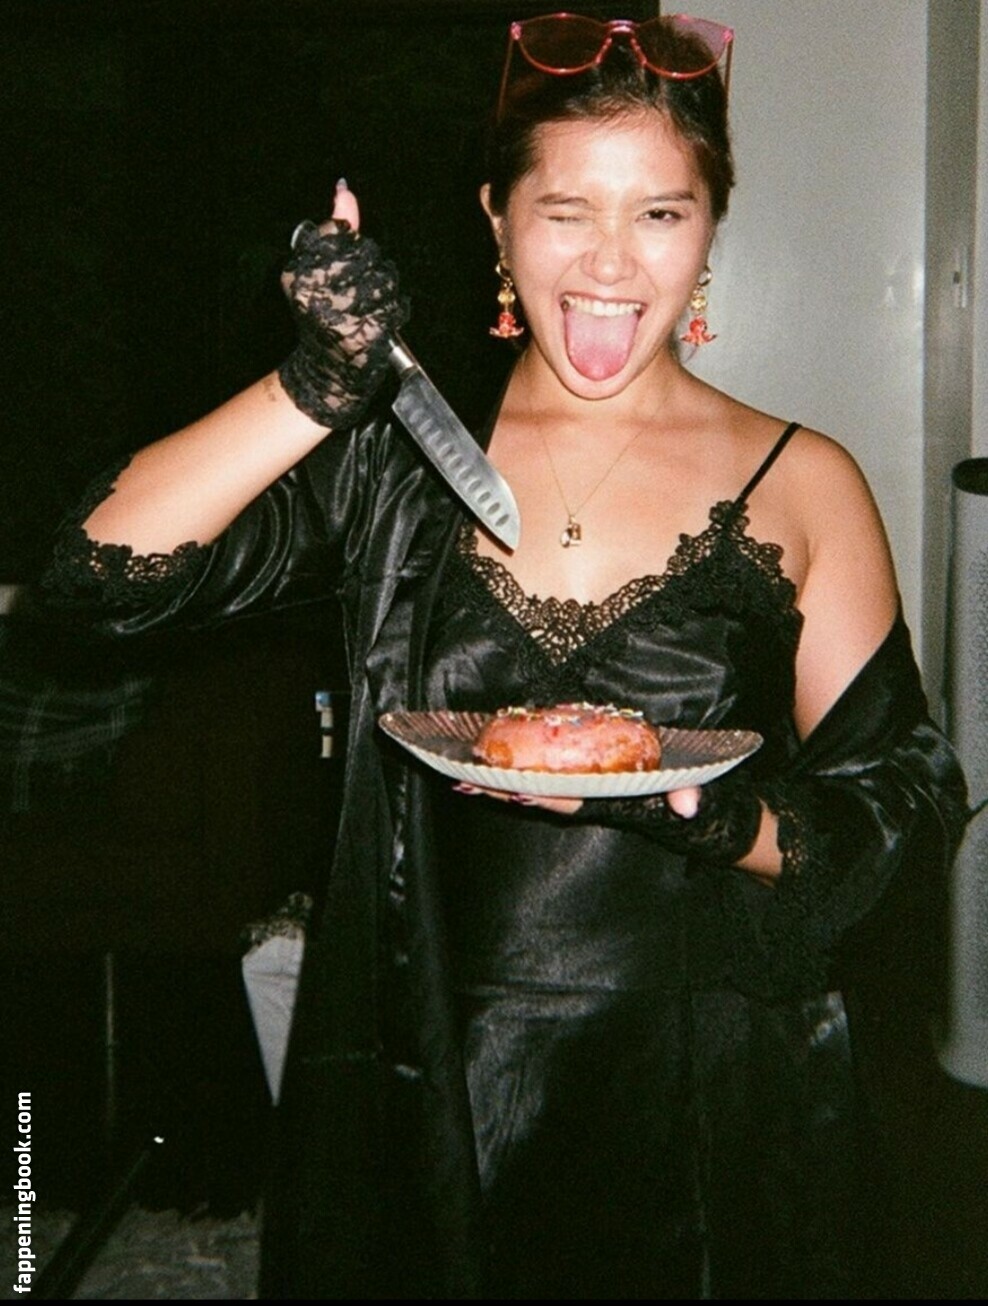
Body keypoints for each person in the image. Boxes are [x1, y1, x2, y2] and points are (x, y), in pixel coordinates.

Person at [32, 12, 967, 1300]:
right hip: (430, 1075)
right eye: (565, 210)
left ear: (711, 230)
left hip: (716, 1089)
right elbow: (94, 581)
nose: (611, 261)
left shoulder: (803, 482)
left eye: (661, 213)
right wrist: (317, 387)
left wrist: (716, 818)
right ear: (497, 221)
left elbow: (907, 808)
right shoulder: (403, 460)